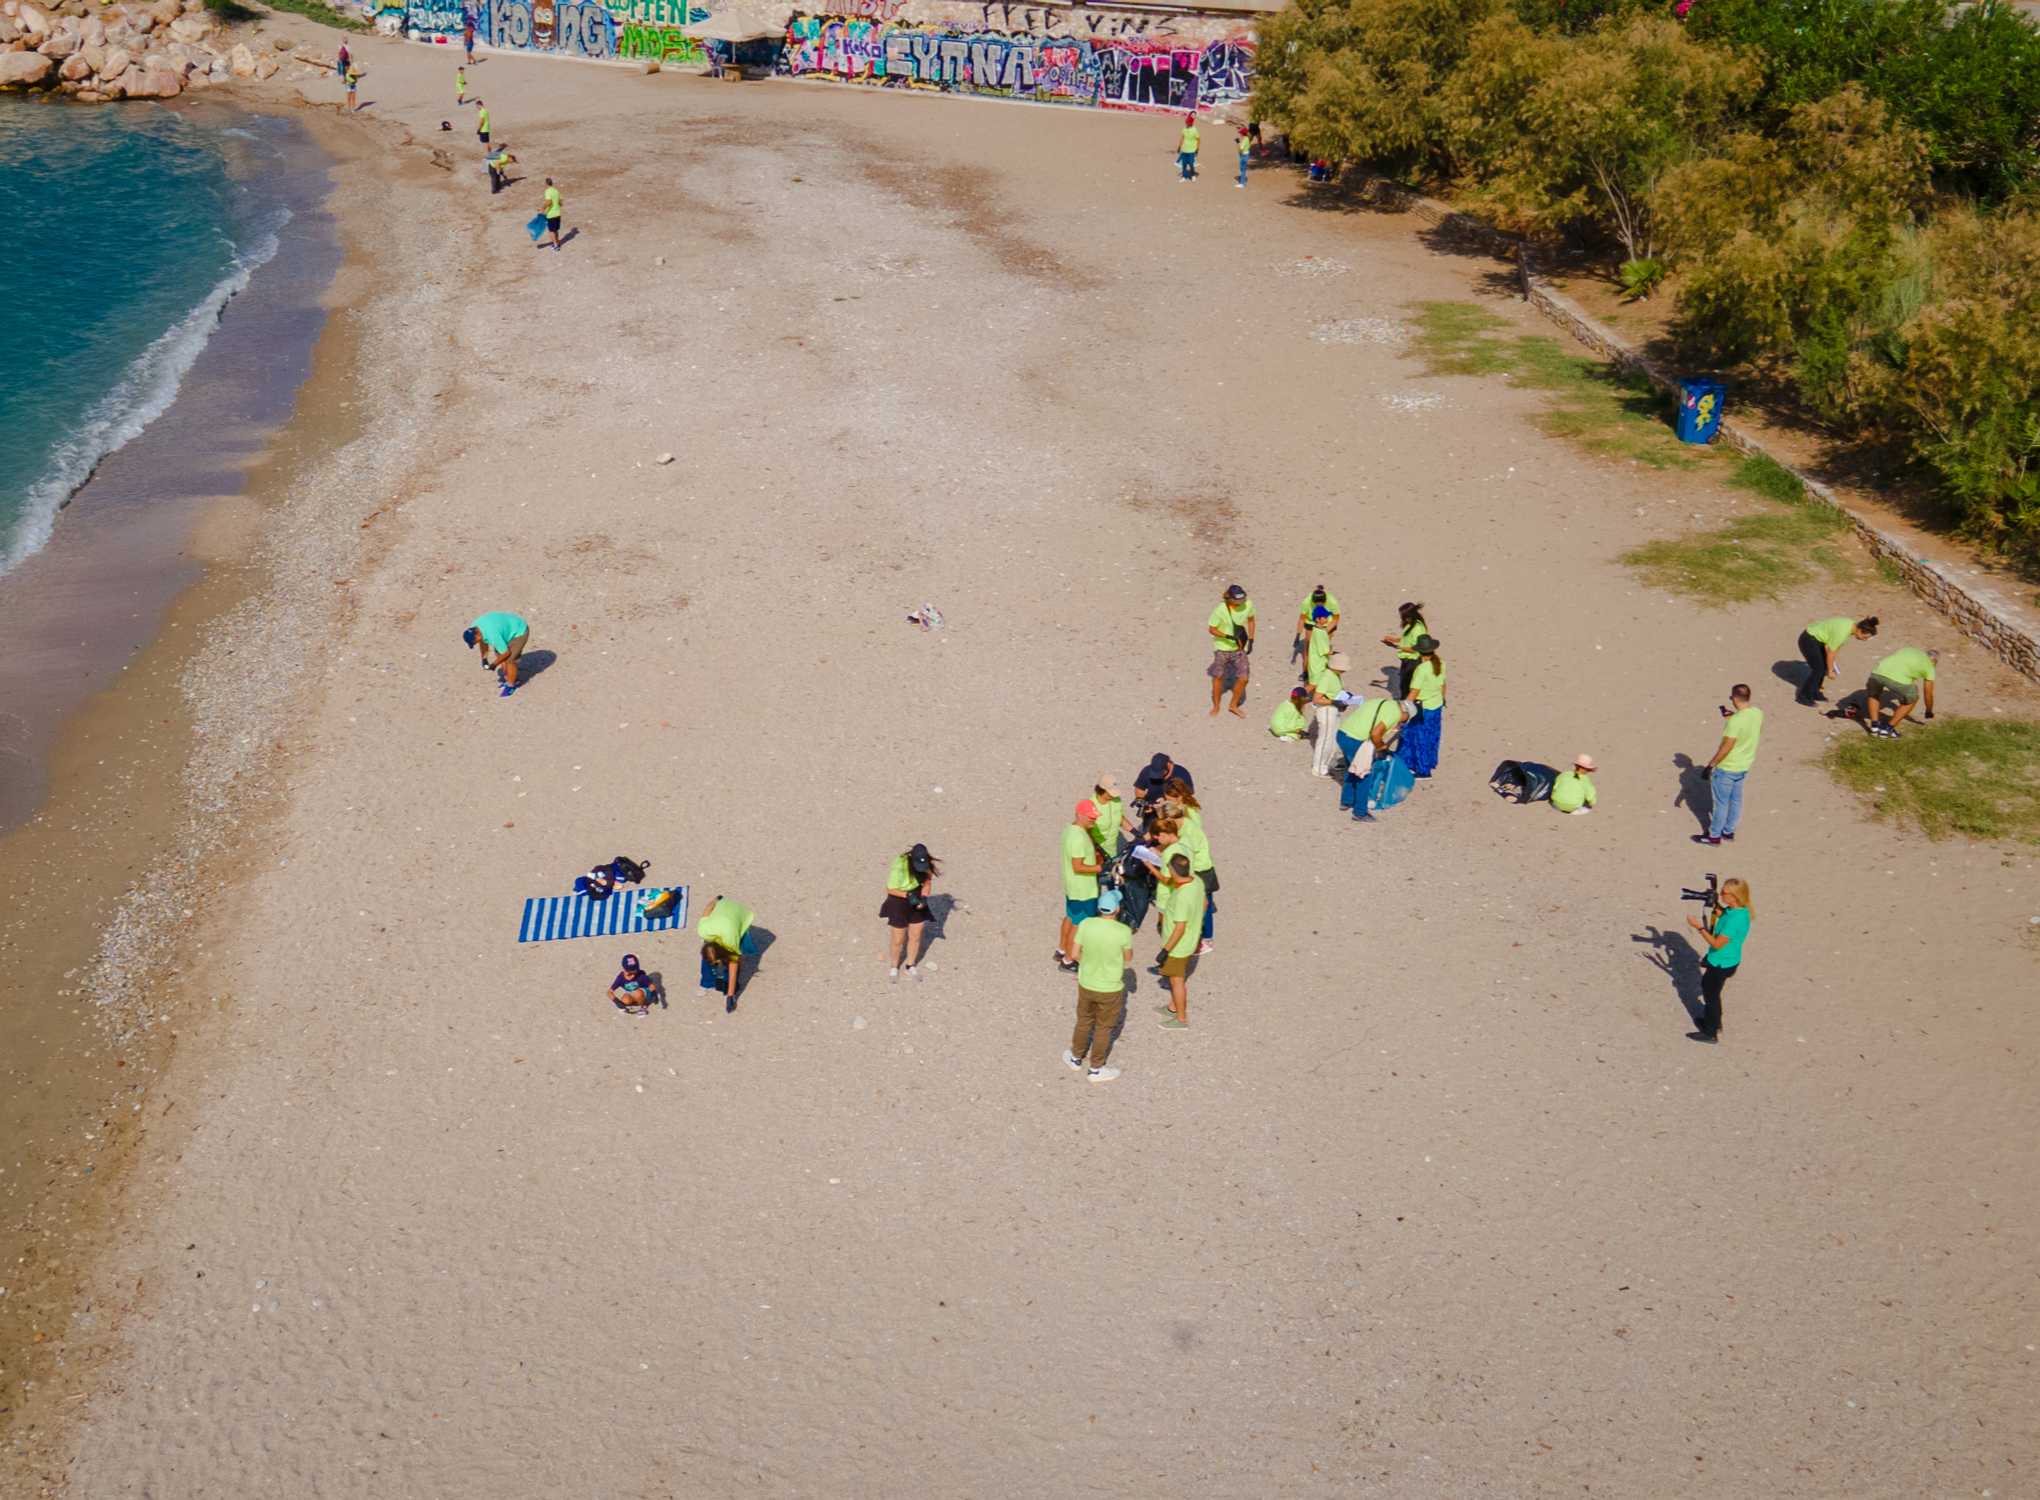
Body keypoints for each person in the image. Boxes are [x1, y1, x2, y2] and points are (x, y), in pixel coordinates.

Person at [1065, 888, 1132, 1082]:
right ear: (1117, 909)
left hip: (1087, 983)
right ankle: (1096, 1068)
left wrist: (1088, 960)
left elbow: (1075, 953)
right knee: (1104, 1027)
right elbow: (1128, 958)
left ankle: (1076, 1056)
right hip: (1110, 988)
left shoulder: (1086, 924)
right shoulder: (1123, 931)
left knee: (1084, 1021)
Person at [1685, 877, 1751, 1043]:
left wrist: (1699, 927)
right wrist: (1714, 904)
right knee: (1713, 993)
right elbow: (1724, 914)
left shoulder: (1733, 921)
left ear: (1735, 896)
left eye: (1724, 893)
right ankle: (1714, 1023)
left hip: (1720, 964)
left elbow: (1716, 943)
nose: (1722, 895)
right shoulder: (1741, 912)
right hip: (1730, 961)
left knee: (1711, 996)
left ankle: (1710, 1032)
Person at [1698, 684, 1761, 845]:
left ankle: (1714, 836)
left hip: (1727, 768)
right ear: (1750, 697)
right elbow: (1753, 730)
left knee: (1721, 804)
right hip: (1744, 766)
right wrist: (1734, 717)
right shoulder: (1757, 713)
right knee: (1736, 800)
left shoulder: (1735, 722)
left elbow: (1727, 746)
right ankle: (1729, 831)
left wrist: (1710, 765)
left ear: (1733, 699)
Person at [1161, 780, 1218, 953]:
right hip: (1199, 867)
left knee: (1204, 903)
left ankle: (1206, 939)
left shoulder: (1188, 826)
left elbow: (1190, 851)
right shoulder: (1185, 818)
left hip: (1201, 868)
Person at [1338, 695, 1407, 823]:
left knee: (1352, 768)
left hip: (1342, 733)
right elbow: (1375, 733)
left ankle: (1347, 801)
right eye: (1405, 721)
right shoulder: (1395, 713)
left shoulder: (1382, 702)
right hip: (1355, 740)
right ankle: (1360, 812)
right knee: (1365, 775)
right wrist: (1381, 748)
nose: (1401, 723)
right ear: (1405, 713)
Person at [1154, 852, 1204, 1029]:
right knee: (1177, 978)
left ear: (1173, 870)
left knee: (1177, 980)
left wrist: (1165, 950)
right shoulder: (1196, 881)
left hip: (1179, 946)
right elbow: (1204, 903)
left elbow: (1180, 927)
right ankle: (1173, 1007)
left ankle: (1181, 1019)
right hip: (1191, 939)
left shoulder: (1182, 895)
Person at [1057, 800, 1103, 972]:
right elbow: (1078, 866)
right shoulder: (1078, 837)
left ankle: (1062, 949)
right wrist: (1100, 868)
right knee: (1079, 925)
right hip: (1083, 889)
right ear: (1080, 815)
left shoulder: (1071, 830)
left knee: (1071, 916)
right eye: (1090, 817)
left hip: (1073, 886)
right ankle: (1069, 960)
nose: (1093, 820)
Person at [882, 843, 939, 979]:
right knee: (898, 939)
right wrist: (907, 896)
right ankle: (894, 967)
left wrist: (924, 897)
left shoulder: (928, 863)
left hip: (916, 894)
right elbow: (890, 888)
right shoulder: (899, 865)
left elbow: (927, 883)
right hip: (898, 898)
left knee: (915, 935)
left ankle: (910, 965)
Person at [1797, 615, 1878, 705]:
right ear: (1859, 630)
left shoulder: (1850, 626)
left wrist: (1832, 663)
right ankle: (1803, 696)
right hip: (1809, 640)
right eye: (1864, 637)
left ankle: (1815, 691)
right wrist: (1831, 670)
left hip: (1817, 640)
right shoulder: (1843, 632)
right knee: (1818, 670)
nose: (1864, 640)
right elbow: (1830, 651)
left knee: (1823, 666)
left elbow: (1836, 647)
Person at [696, 895, 756, 1013]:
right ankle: (708, 982)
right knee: (706, 960)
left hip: (736, 913)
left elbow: (733, 970)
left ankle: (731, 988)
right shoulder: (703, 931)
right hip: (722, 910)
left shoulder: (730, 942)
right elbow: (708, 908)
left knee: (732, 961)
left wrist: (730, 996)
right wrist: (717, 899)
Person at [1865, 647, 1938, 738]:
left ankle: (1874, 727)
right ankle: (1888, 730)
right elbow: (1928, 694)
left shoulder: (1909, 649)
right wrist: (1929, 711)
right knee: (1912, 699)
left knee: (1874, 694)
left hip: (1877, 672)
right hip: (1898, 679)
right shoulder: (1929, 666)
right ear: (1933, 661)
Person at [1399, 636, 1446, 779]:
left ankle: (1423, 770)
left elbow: (1415, 691)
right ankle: (1430, 761)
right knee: (1432, 734)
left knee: (1419, 736)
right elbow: (1443, 684)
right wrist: (1444, 699)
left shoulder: (1421, 669)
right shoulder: (1441, 663)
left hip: (1423, 707)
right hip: (1436, 704)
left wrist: (1404, 707)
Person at [1207, 584, 1255, 717]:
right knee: (1218, 676)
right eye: (1237, 602)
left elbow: (1251, 620)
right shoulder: (1220, 611)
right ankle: (1216, 705)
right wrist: (1227, 636)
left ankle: (1233, 705)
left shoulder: (1248, 604)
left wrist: (1251, 639)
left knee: (1244, 678)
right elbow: (1212, 629)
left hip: (1239, 647)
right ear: (1229, 598)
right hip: (1222, 648)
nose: (1241, 604)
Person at [463, 611, 529, 695]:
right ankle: (509, 678)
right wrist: (484, 659)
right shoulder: (475, 627)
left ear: (477, 636)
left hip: (519, 630)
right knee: (500, 655)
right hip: (506, 629)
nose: (475, 644)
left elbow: (506, 653)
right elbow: (483, 642)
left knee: (510, 660)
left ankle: (512, 684)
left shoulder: (492, 635)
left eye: (474, 642)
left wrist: (494, 664)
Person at [1308, 651, 1350, 777]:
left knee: (1334, 738)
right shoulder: (1327, 677)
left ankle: (1331, 761)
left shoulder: (1335, 675)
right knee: (1326, 739)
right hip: (1326, 710)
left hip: (1333, 709)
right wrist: (1333, 702)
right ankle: (1318, 768)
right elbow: (1316, 699)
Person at [1383, 602, 1427, 700]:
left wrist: (1397, 647)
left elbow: (1415, 648)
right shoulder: (1410, 625)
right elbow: (1408, 639)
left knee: (1407, 686)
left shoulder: (1418, 629)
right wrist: (1395, 639)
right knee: (1403, 684)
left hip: (1413, 660)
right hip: (1406, 659)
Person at [1089, 775, 1132, 859]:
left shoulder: (1116, 800)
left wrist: (1134, 831)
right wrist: (1098, 849)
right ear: (1102, 790)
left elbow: (1120, 818)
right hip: (1096, 854)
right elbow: (1086, 831)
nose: (1113, 796)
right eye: (1110, 793)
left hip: (1112, 852)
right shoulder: (1091, 805)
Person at [538, 178, 564, 251]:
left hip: (551, 214)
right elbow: (561, 203)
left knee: (552, 230)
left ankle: (556, 245)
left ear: (546, 184)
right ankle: (557, 242)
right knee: (555, 229)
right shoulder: (556, 191)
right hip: (558, 212)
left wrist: (543, 208)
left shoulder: (548, 191)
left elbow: (549, 202)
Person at [1177, 113, 1200, 181]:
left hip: (1191, 149)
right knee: (1184, 164)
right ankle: (1184, 176)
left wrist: (1197, 149)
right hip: (1184, 149)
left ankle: (1193, 174)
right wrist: (1179, 146)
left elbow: (1198, 139)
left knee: (1190, 163)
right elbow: (1182, 138)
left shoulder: (1194, 130)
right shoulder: (1184, 129)